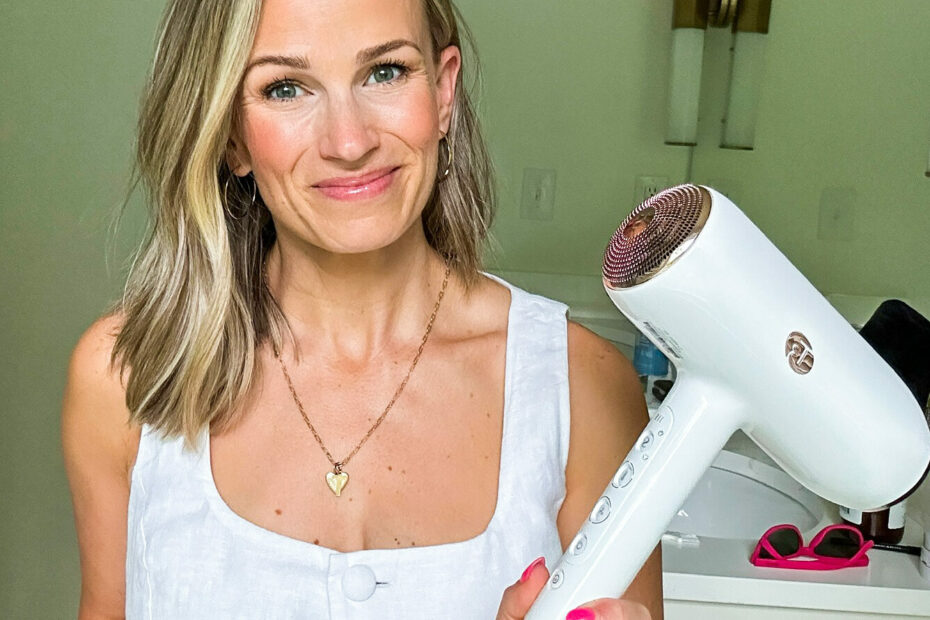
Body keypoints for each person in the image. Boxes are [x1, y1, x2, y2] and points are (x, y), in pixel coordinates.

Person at [61, 0, 662, 618]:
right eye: (285, 88)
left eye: (385, 72)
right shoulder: (125, 379)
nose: (349, 142)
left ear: (443, 92)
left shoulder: (583, 390)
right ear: (231, 138)